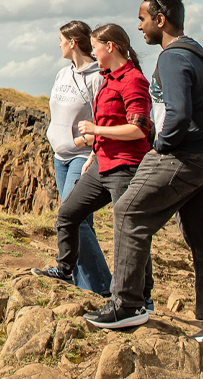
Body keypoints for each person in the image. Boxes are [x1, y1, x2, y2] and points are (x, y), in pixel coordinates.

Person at [84, 0, 203, 347]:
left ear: (160, 19)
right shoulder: (196, 53)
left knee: (128, 211)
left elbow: (179, 115)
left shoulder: (172, 57)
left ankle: (127, 304)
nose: (138, 26)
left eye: (142, 19)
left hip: (184, 155)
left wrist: (160, 147)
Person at [34, 22, 136, 298]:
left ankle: (101, 286)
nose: (58, 45)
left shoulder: (97, 77)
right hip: (60, 157)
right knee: (80, 221)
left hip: (82, 157)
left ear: (72, 42)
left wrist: (87, 143)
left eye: (61, 40)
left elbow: (106, 116)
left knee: (74, 216)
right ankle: (85, 285)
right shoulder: (61, 74)